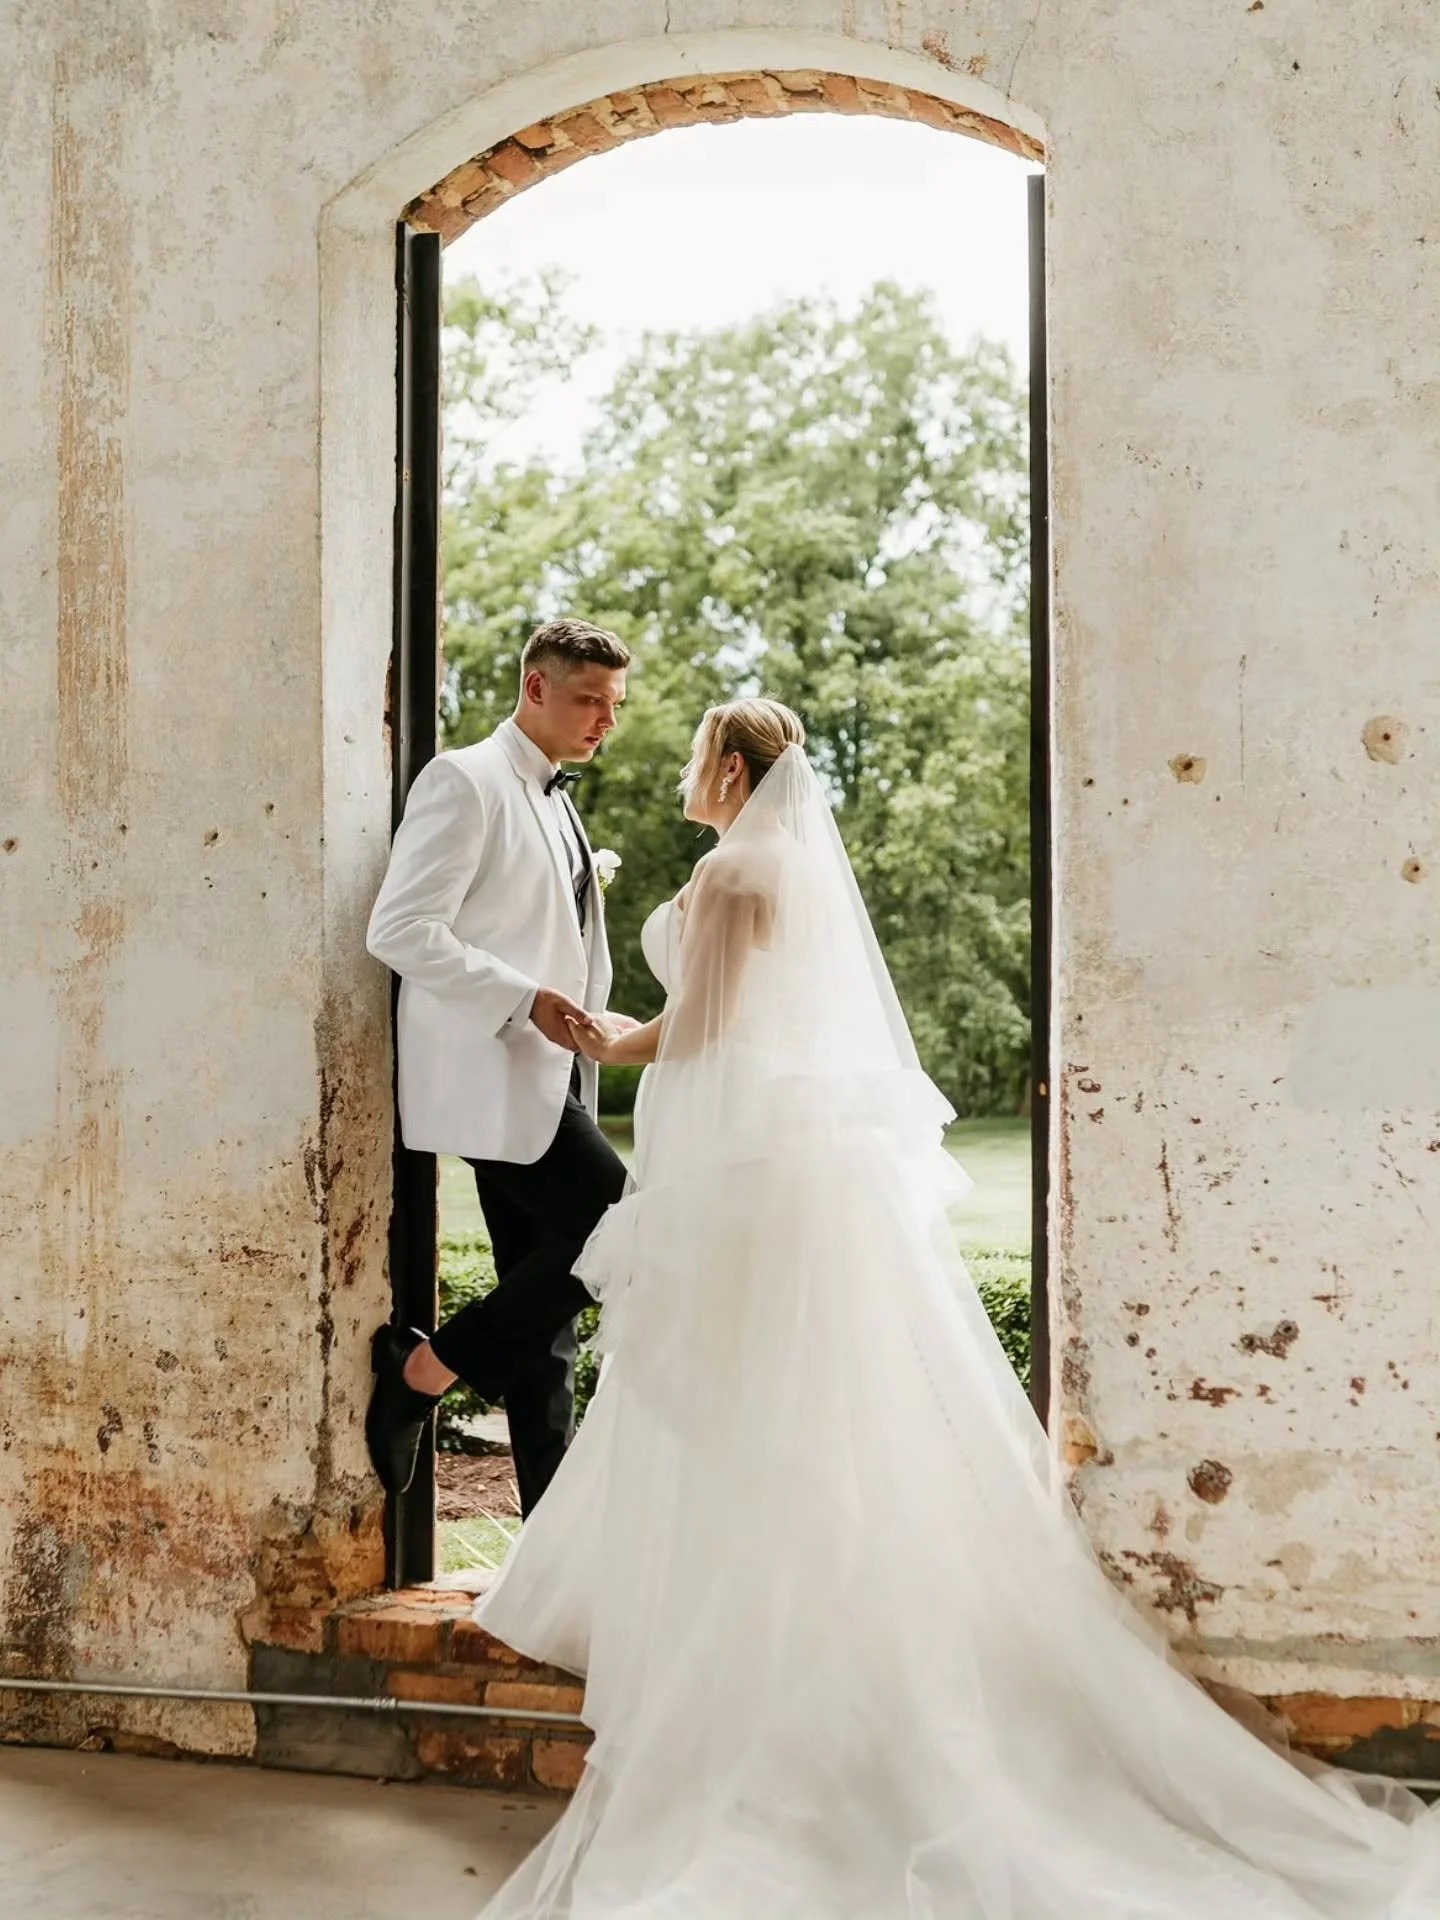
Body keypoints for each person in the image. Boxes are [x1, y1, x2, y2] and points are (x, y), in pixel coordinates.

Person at [470, 696, 1440, 1918]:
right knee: (815, 1408)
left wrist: (603, 1042)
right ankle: (818, 1661)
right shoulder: (786, 867)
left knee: (739, 1405)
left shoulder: (731, 873)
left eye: (690, 752)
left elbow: (701, 1034)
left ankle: (755, 1689)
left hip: (741, 1172)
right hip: (796, 1159)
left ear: (728, 767)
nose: (678, 768)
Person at [363, 618, 634, 1517]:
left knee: (547, 1328)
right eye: (590, 699)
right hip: (491, 1069)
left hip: (554, 1077)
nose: (604, 720)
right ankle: (424, 1371)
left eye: (614, 705)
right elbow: (400, 929)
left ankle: (548, 1554)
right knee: (621, 1231)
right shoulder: (465, 780)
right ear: (536, 689)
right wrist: (525, 1000)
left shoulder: (558, 797)